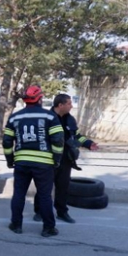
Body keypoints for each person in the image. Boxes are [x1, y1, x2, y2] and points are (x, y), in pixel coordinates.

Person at [2, 85, 65, 237]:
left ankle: (16, 225)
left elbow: (6, 142)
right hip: (44, 164)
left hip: (22, 163)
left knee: (18, 194)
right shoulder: (50, 117)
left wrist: (10, 160)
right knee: (44, 196)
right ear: (40, 99)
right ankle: (48, 228)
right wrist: (56, 160)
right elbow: (58, 140)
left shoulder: (14, 117)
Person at [33, 94, 99, 224]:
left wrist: (88, 143)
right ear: (60, 105)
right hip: (48, 159)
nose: (71, 106)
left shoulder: (70, 119)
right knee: (44, 187)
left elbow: (77, 136)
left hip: (65, 159)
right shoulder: (46, 118)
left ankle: (62, 212)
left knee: (63, 187)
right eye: (69, 103)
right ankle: (39, 211)